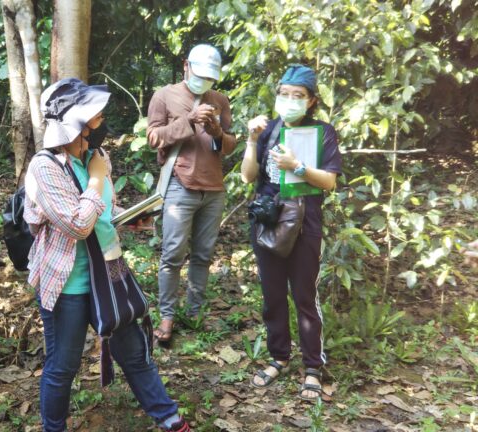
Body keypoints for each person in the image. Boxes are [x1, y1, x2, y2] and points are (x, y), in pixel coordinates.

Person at [24, 78, 190, 432]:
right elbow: (77, 226)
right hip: (67, 284)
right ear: (74, 125)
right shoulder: (45, 168)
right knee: (63, 366)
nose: (100, 123)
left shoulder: (96, 158)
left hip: (110, 275)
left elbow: (103, 213)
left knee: (135, 354)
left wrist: (131, 219)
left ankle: (170, 419)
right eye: (94, 118)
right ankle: (53, 428)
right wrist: (96, 180)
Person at [240, 64, 343, 401]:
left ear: (311, 100)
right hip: (268, 220)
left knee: (304, 295)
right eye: (284, 94)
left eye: (297, 96)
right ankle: (279, 357)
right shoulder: (268, 129)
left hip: (306, 221)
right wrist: (252, 139)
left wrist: (297, 167)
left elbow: (329, 181)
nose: (289, 100)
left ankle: (313, 366)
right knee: (272, 294)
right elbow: (247, 176)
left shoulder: (323, 132)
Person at [147, 44, 237, 342]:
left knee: (203, 255)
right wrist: (188, 120)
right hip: (180, 185)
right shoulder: (164, 96)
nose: (205, 83)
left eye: (210, 78)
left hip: (213, 189)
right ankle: (167, 316)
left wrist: (217, 132)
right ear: (186, 66)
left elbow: (230, 144)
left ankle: (195, 312)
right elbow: (153, 137)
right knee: (173, 254)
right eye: (200, 75)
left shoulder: (221, 100)